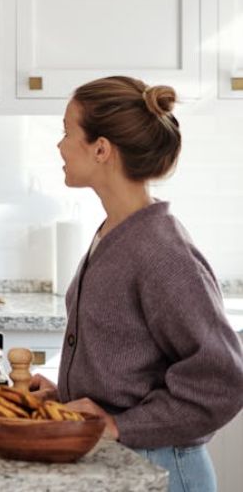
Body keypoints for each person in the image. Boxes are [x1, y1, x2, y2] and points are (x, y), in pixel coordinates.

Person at [29, 77, 243, 492]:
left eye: (66, 132)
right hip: (124, 464)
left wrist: (118, 424)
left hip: (161, 469)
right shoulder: (115, 230)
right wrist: (66, 394)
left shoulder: (162, 252)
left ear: (101, 148)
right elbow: (129, 359)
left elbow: (223, 379)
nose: (60, 145)